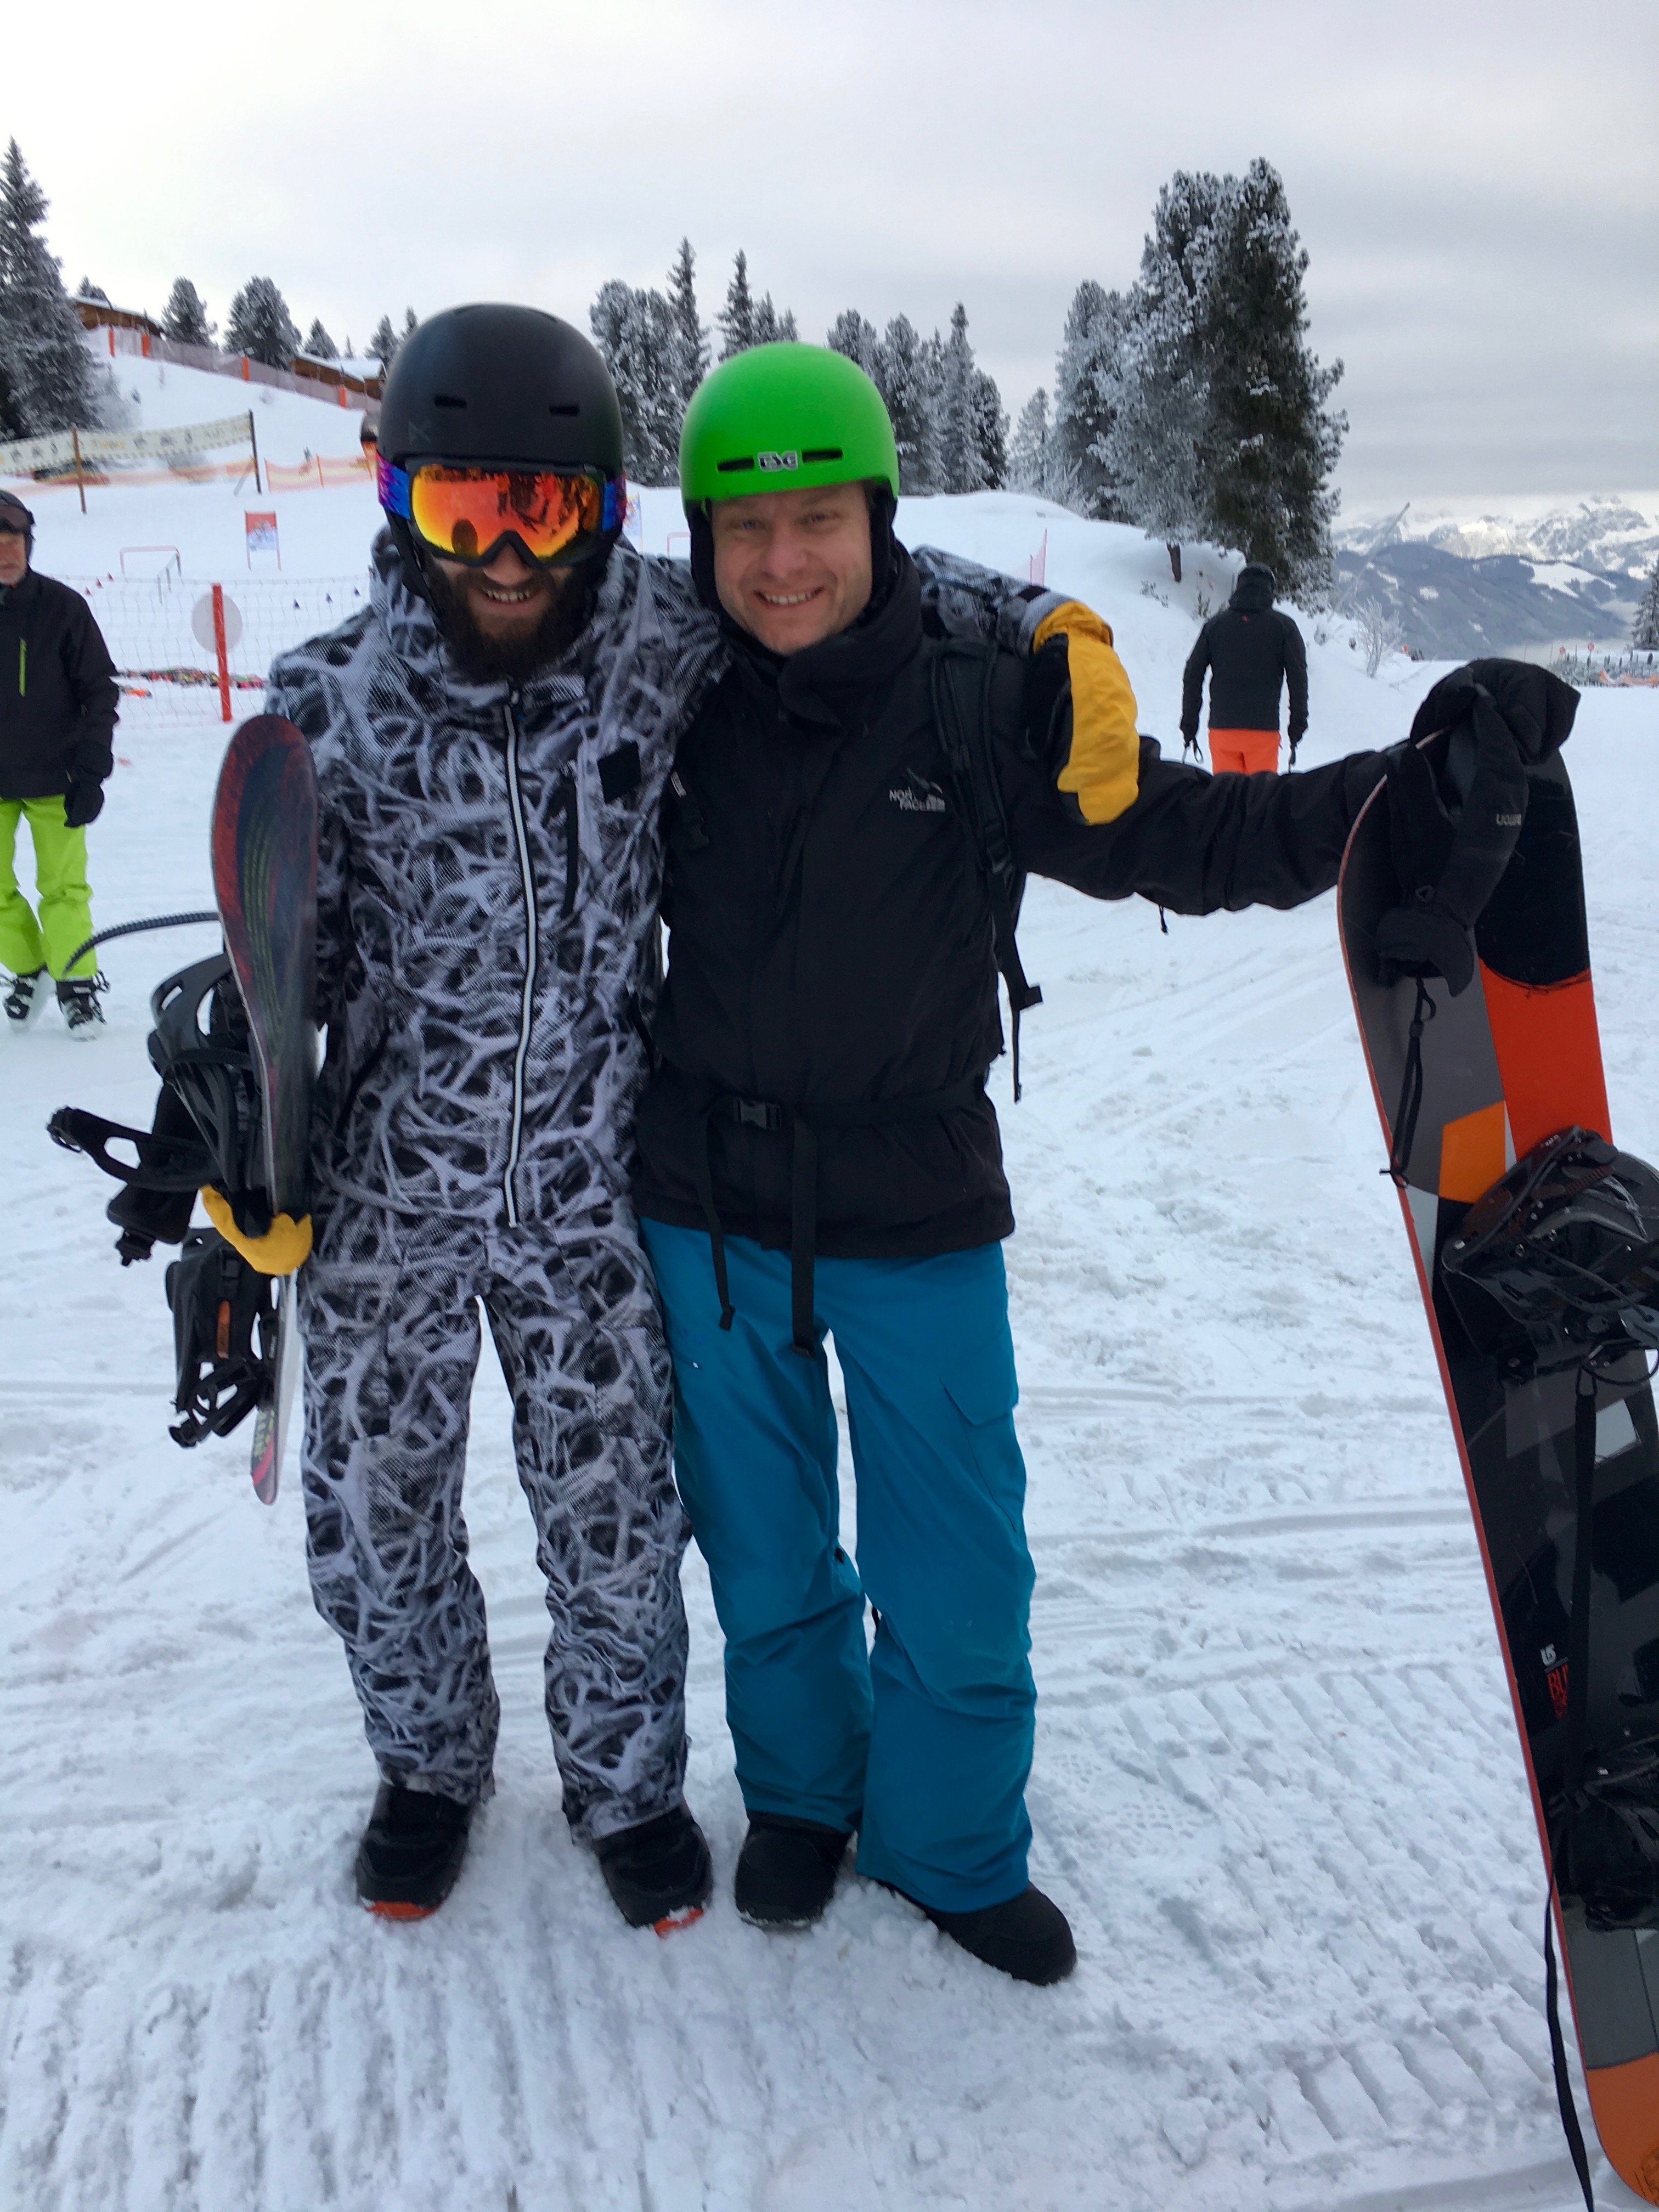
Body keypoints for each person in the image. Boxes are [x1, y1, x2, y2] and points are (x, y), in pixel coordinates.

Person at [628, 345, 1564, 1989]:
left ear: (878, 519)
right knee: (764, 1560)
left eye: (819, 518)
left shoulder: (983, 698)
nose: (782, 563)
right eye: (746, 527)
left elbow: (1182, 836)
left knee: (957, 1575)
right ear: (704, 538)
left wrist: (1399, 799)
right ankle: (803, 1796)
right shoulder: (666, 696)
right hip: (704, 1211)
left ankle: (947, 1845)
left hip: (915, 1208)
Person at [243, 307, 1109, 1926]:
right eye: (465, 512)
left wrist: (1049, 618)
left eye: (547, 511)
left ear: (610, 513)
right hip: (388, 1188)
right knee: (373, 1505)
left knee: (619, 1513)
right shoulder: (327, 700)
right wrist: (255, 1126)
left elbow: (855, 586)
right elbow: (296, 959)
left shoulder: (659, 638)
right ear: (396, 501)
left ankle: (627, 1783)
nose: (509, 558)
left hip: (592, 1173)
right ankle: (425, 1767)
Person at [0, 489, 118, 1036]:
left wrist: (91, 769)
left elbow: (99, 689)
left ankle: (76, 984)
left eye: (15, 541)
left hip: (57, 776)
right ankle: (30, 969)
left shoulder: (63, 608)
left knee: (64, 888)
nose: (7, 553)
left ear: (29, 544)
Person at [1181, 561, 1307, 774]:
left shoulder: (1215, 626)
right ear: (1270, 591)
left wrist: (1189, 724)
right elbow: (1298, 678)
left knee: (1226, 793)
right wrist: (1297, 726)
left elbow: (1193, 674)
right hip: (1263, 732)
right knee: (1260, 794)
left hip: (1222, 730)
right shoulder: (1284, 627)